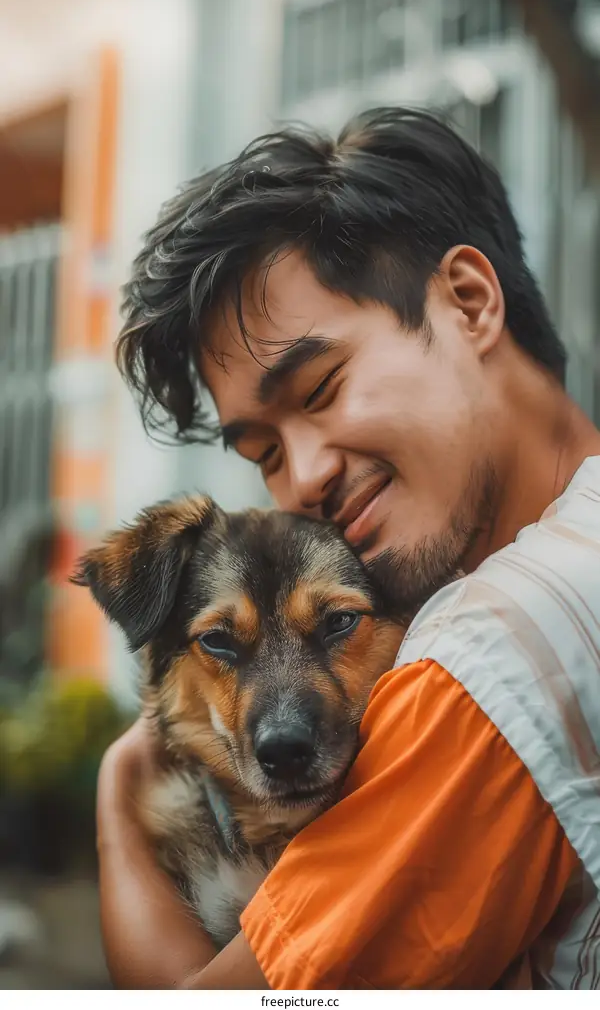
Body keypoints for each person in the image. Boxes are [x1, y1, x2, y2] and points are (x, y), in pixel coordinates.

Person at [97, 107, 600, 990]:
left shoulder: (494, 649)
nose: (305, 479)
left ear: (470, 302)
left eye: (322, 386)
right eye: (264, 452)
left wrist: (117, 798)